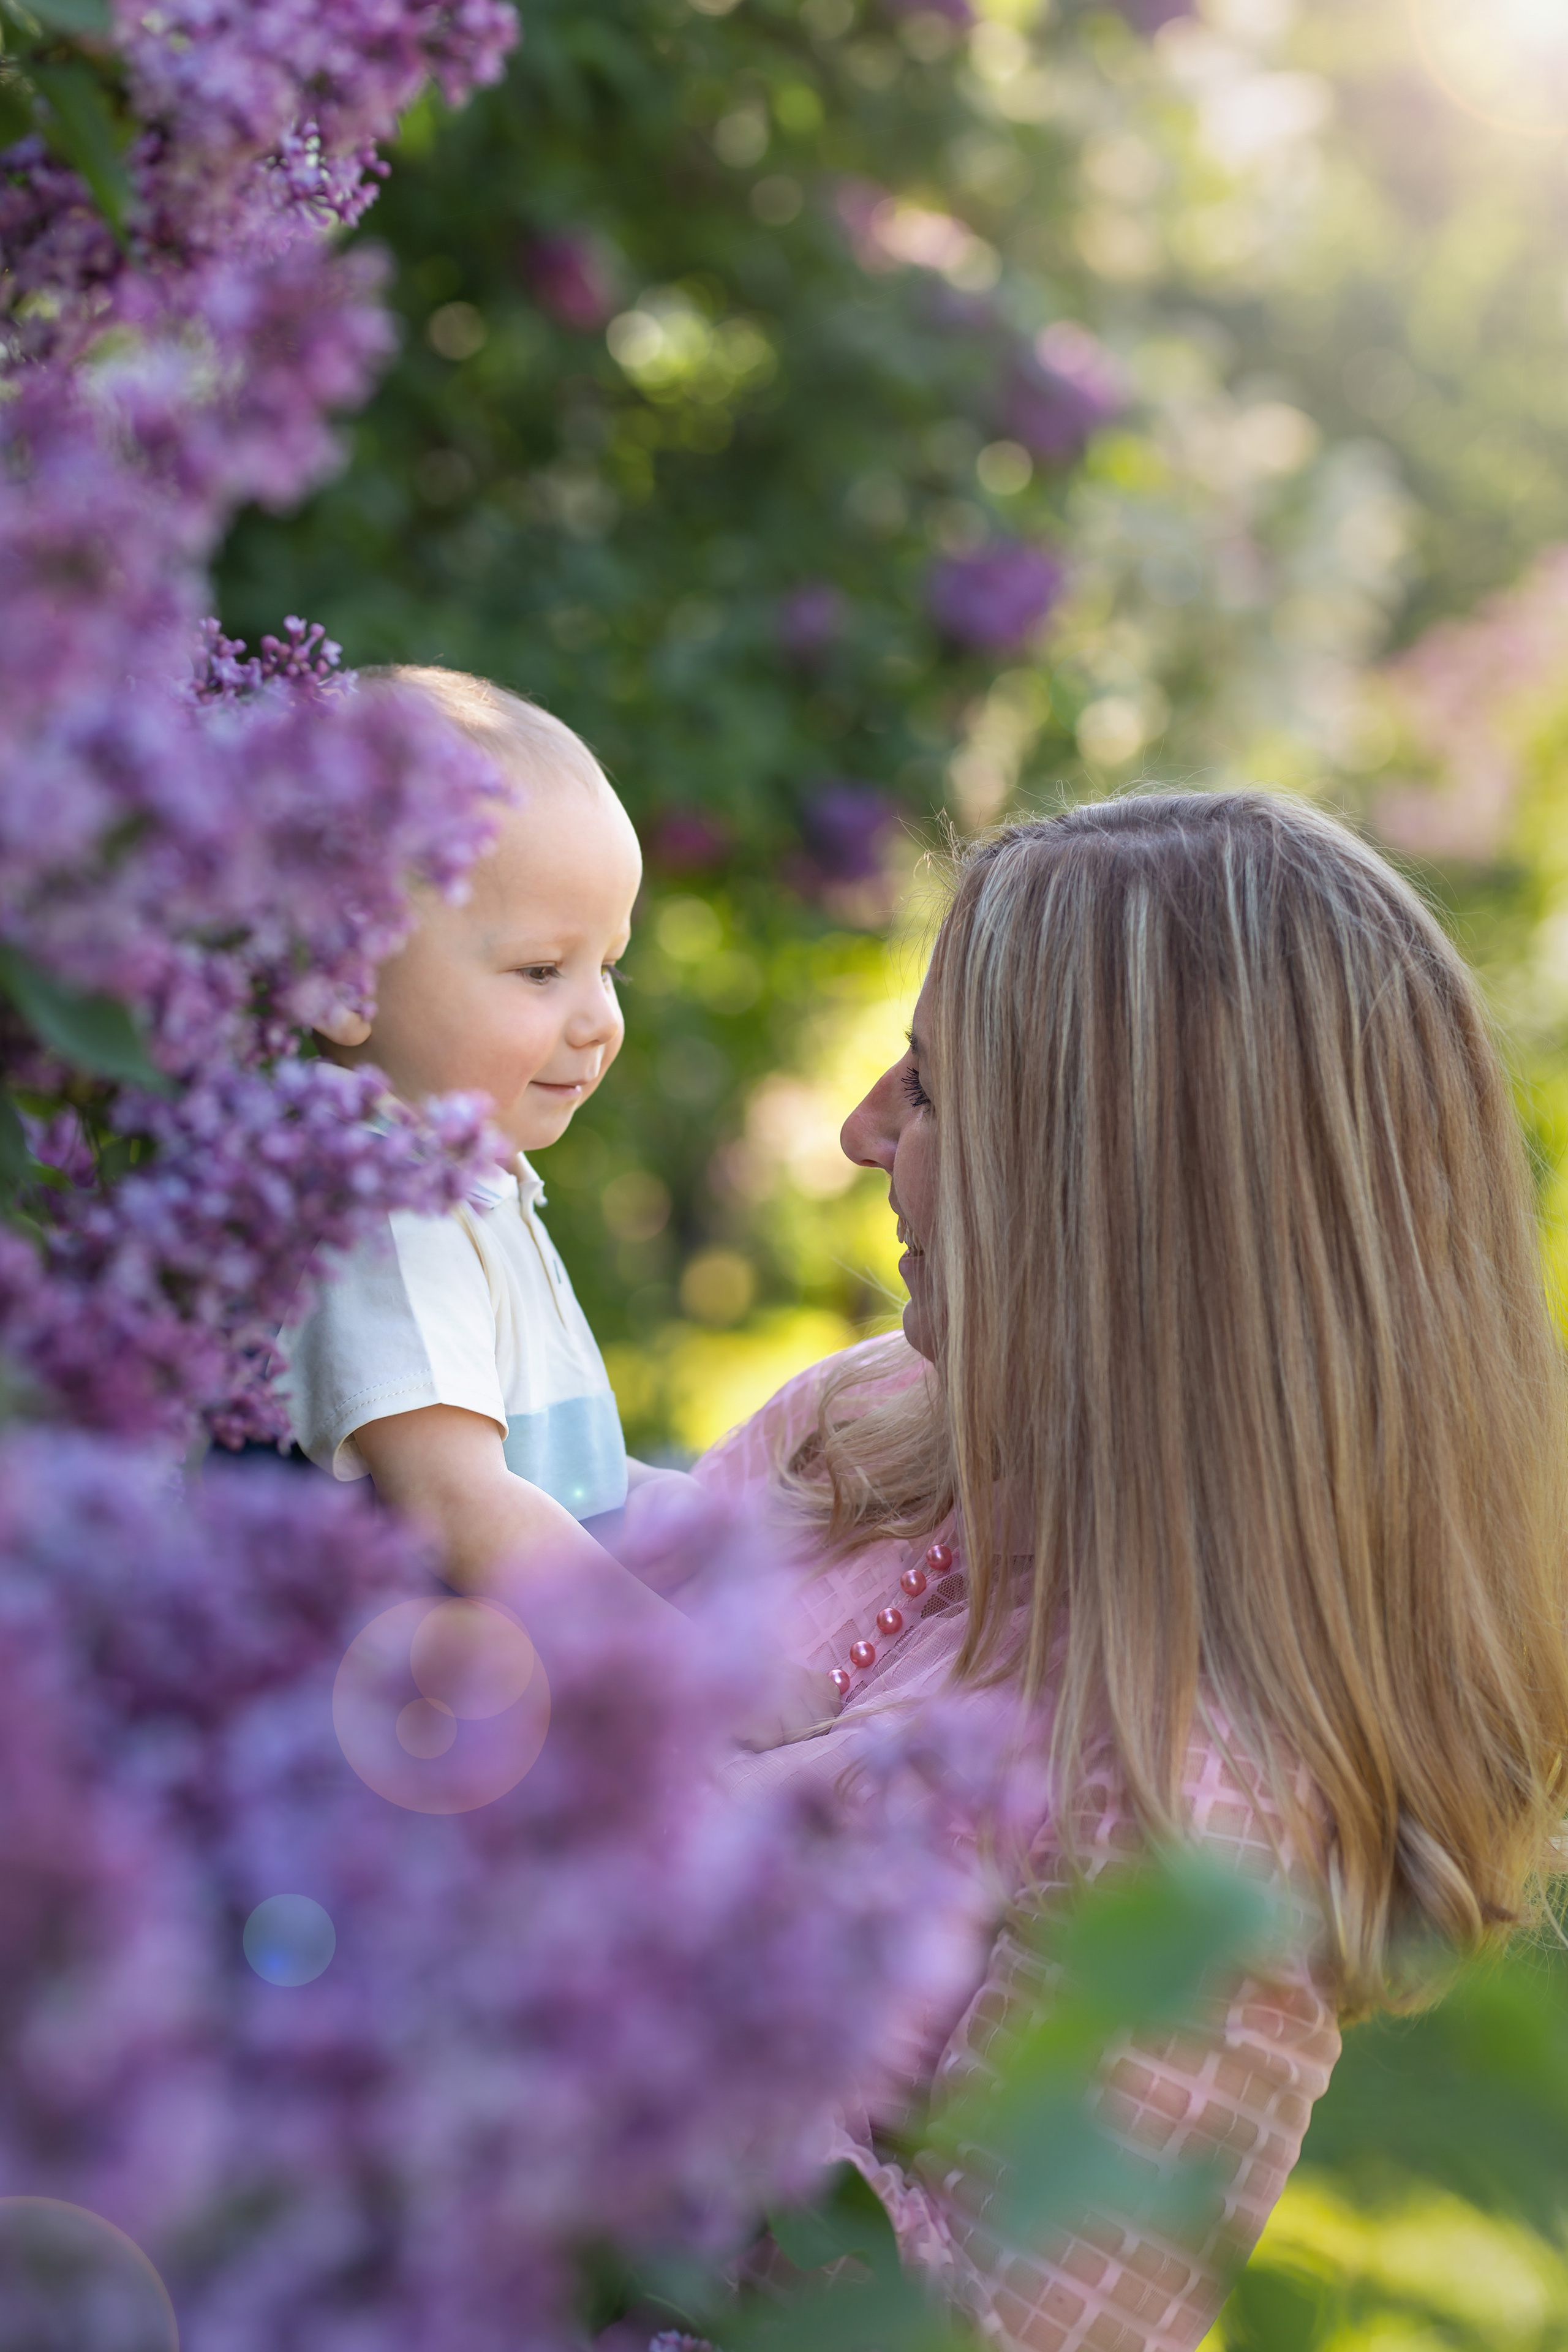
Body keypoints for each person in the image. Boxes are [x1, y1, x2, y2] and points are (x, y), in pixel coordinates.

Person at [692, 791, 1568, 2351]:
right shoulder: (866, 1437)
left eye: (934, 1092)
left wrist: (613, 2007)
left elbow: (983, 2329)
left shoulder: (1201, 1817)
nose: (860, 1133)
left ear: (1107, 1202)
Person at [278, 668, 839, 1746]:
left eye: (609, 967)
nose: (598, 1022)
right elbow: (460, 1503)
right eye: (543, 971)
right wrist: (694, 1679)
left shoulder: (470, 1189)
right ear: (343, 977)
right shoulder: (384, 1209)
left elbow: (557, 1475)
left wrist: (723, 1529)